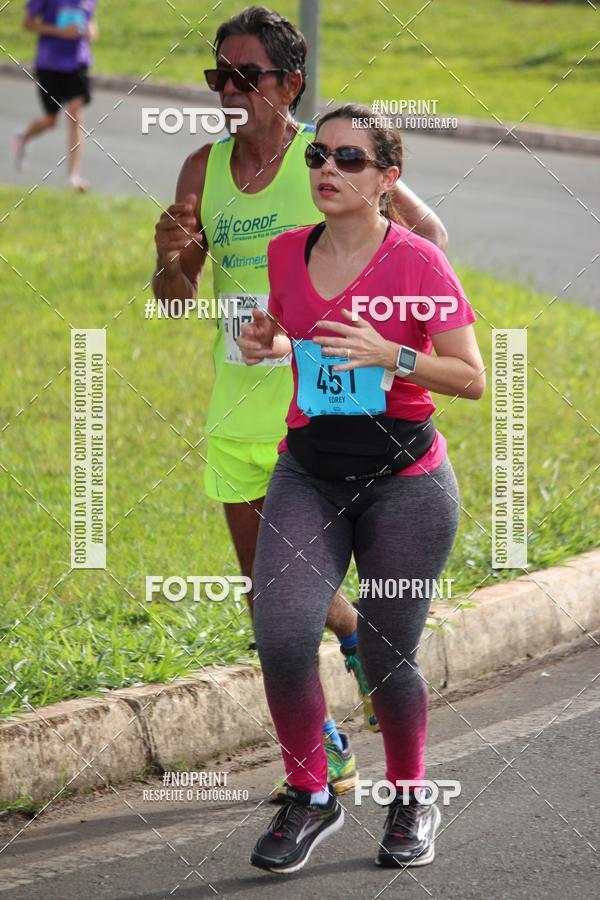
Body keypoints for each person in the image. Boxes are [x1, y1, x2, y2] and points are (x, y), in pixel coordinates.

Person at [151, 6, 449, 801]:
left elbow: (429, 241)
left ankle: (334, 747)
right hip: (236, 405)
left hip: (322, 414)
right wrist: (170, 260)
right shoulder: (202, 170)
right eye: (219, 76)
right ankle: (351, 664)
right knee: (271, 599)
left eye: (247, 77)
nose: (229, 91)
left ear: (291, 85)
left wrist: (369, 333)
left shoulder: (331, 157)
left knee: (287, 592)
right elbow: (175, 300)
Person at [242, 104, 485, 873]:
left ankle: (411, 796)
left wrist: (393, 355)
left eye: (350, 159)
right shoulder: (286, 252)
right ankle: (312, 794)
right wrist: (269, 339)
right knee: (283, 635)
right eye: (318, 155)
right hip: (309, 474)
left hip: (406, 485)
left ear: (387, 178)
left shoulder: (418, 262)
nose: (327, 169)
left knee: (385, 653)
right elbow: (300, 336)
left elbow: (472, 377)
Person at [13, 0, 98, 191]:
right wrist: (60, 32)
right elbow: (28, 23)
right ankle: (23, 137)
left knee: (76, 113)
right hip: (50, 62)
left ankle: (73, 176)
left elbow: (91, 22)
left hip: (78, 62)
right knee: (51, 120)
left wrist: (91, 32)